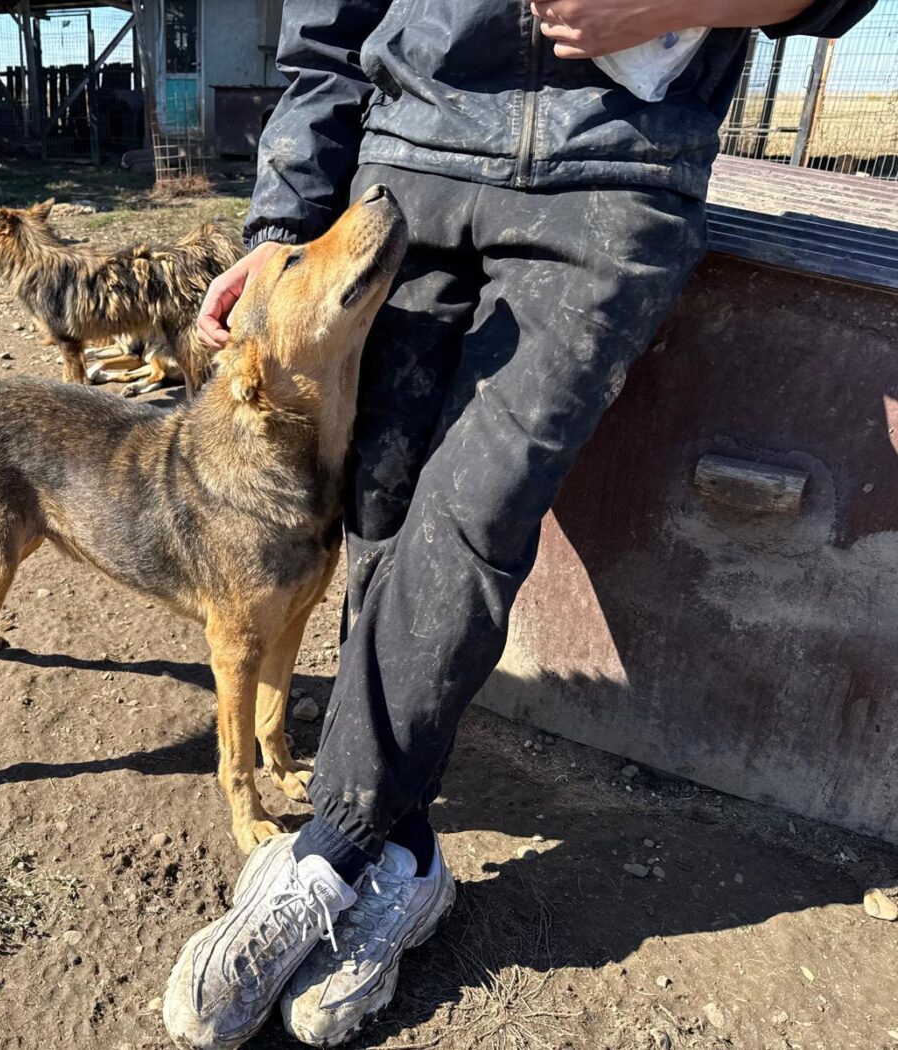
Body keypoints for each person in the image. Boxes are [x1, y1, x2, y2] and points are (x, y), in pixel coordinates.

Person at [162, 1, 876, 1047]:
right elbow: (324, 33)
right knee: (380, 515)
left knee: (471, 517)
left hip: (610, 178)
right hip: (407, 169)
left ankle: (328, 851)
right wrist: (281, 233)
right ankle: (407, 857)